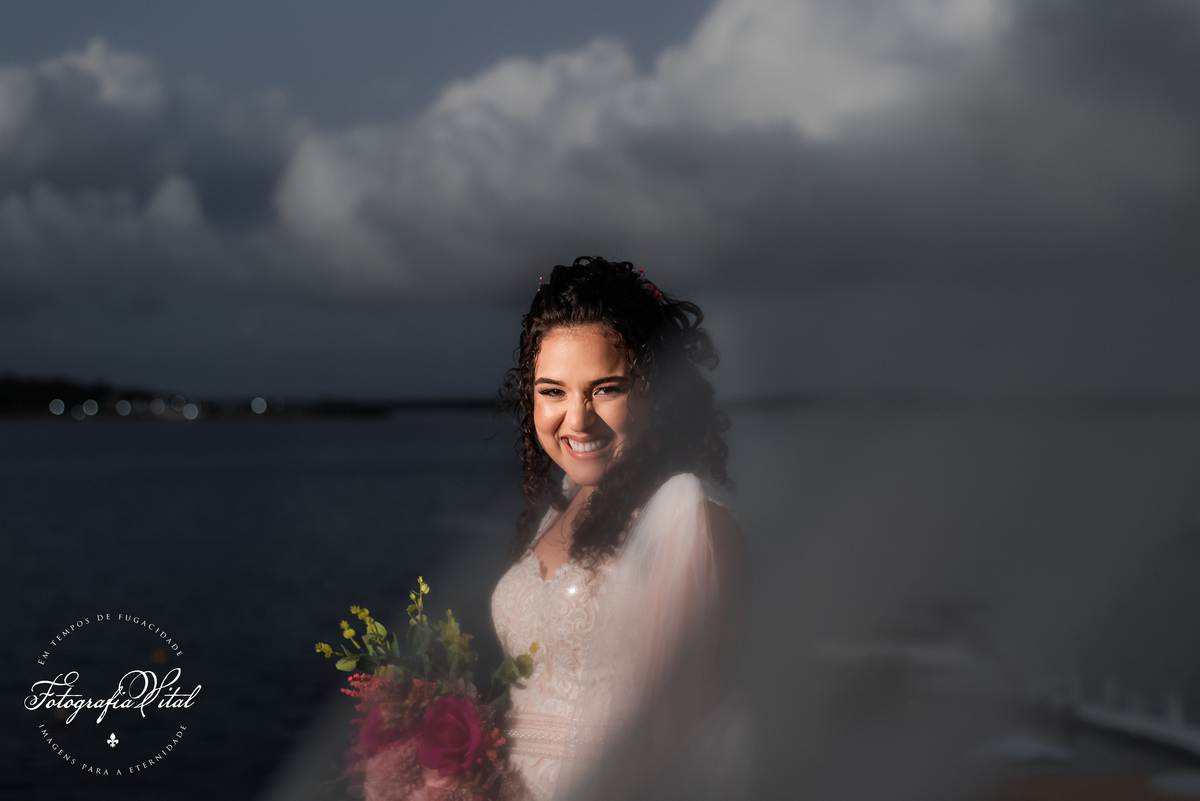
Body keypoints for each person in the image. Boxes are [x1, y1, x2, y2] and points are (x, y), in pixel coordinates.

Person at [491, 257, 749, 801]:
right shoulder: (558, 508)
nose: (577, 419)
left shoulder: (691, 520)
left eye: (606, 389)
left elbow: (680, 741)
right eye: (553, 391)